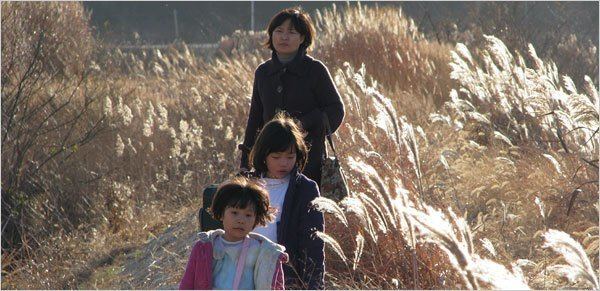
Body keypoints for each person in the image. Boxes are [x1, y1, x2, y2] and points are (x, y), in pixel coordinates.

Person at [240, 7, 345, 186]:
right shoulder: (263, 72)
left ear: (303, 38)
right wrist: (245, 163)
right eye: (278, 31)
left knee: (304, 207)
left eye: (291, 32)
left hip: (308, 159)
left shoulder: (315, 70)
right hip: (269, 159)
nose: (284, 37)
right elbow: (255, 117)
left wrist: (303, 124)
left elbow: (336, 110)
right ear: (271, 36)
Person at [249, 112, 325, 289]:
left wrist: (313, 286)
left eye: (290, 157)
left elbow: (313, 245)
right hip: (245, 274)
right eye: (276, 157)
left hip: (283, 278)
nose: (283, 163)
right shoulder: (247, 184)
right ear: (263, 155)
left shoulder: (305, 189)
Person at [179, 177, 288, 290]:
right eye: (234, 213)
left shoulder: (264, 252)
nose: (241, 220)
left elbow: (276, 286)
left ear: (256, 219)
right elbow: (187, 283)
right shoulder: (205, 247)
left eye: (248, 215)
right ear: (221, 213)